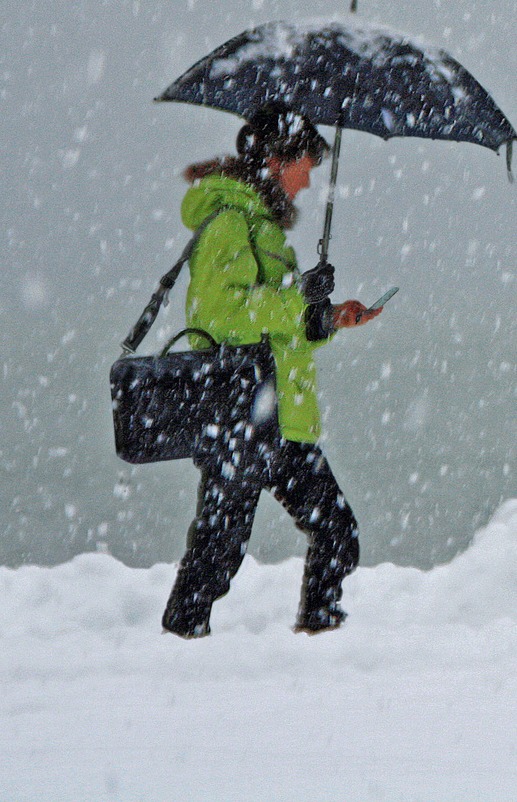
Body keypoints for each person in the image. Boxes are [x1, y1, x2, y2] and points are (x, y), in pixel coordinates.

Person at [161, 106, 381, 638]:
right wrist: (295, 299)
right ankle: (177, 656)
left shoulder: (263, 228)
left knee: (335, 531)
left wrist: (326, 316)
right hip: (242, 414)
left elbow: (275, 319)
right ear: (277, 159)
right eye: (305, 164)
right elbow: (220, 316)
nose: (308, 180)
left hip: (279, 416)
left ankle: (320, 644)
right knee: (218, 553)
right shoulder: (231, 222)